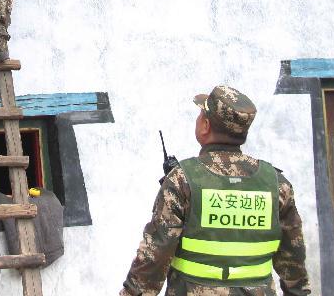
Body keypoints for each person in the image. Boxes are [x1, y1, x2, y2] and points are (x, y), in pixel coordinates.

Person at [120, 86, 312, 296]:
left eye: (201, 113)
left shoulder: (182, 180)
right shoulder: (276, 184)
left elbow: (154, 256)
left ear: (205, 125)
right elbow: (294, 262)